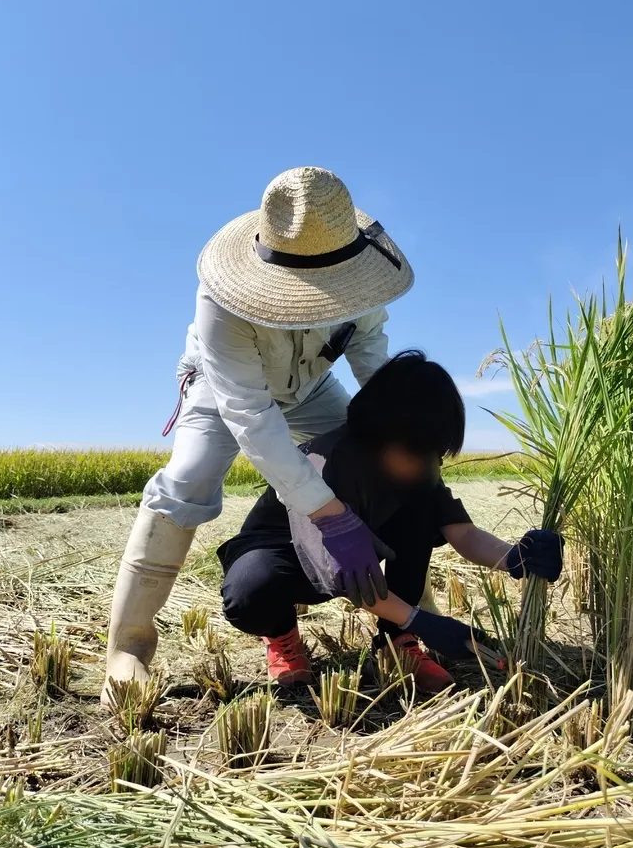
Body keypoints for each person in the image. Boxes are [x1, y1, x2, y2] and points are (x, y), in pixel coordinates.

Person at [102, 166, 416, 701]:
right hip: (224, 387)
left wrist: (403, 436)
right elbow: (249, 413)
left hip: (312, 387)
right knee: (189, 477)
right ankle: (127, 647)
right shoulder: (220, 302)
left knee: (387, 460)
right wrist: (329, 512)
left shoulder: (359, 277)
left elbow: (372, 364)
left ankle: (408, 623)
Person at [218, 351, 564, 692]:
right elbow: (344, 575)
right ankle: (281, 635)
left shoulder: (418, 468)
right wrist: (422, 620)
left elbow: (463, 533)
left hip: (354, 559)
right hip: (285, 559)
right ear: (382, 441)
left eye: (437, 452)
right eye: (420, 451)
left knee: (418, 512)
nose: (431, 464)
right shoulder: (323, 463)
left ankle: (395, 640)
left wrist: (516, 556)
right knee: (251, 592)